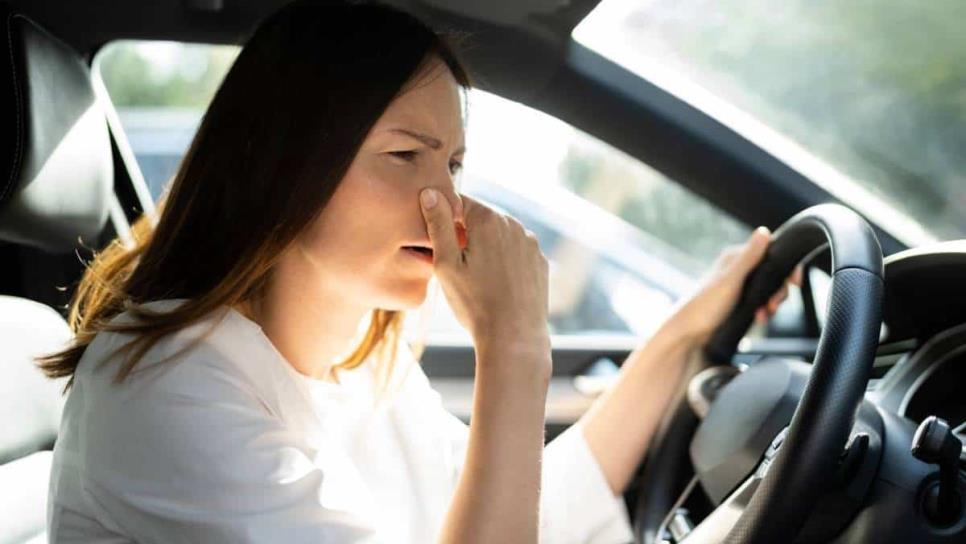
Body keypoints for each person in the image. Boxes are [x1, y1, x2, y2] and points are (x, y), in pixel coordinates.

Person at [40, 1, 797, 542]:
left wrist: (685, 329)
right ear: (283, 168)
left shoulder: (365, 363)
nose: (447, 200)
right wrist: (512, 346)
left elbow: (532, 511)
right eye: (405, 156)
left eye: (455, 163)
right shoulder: (164, 383)